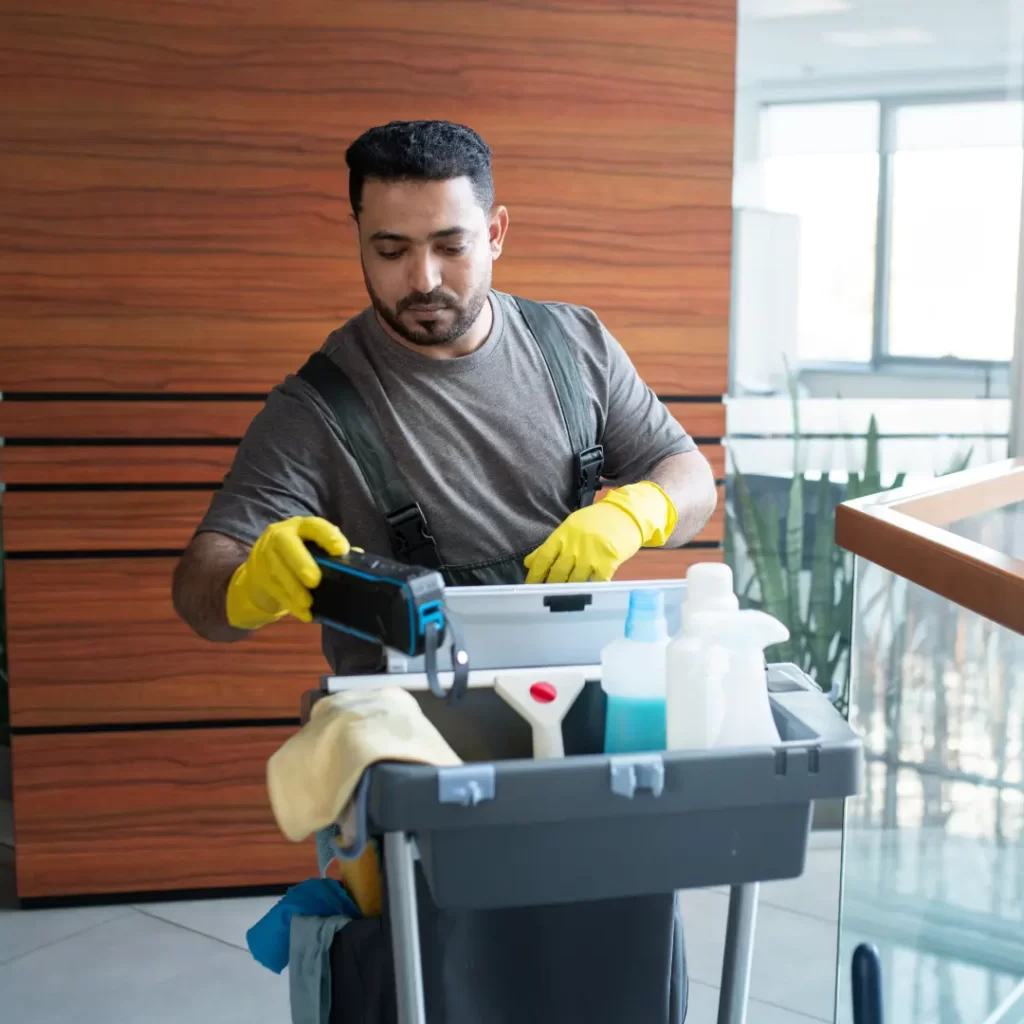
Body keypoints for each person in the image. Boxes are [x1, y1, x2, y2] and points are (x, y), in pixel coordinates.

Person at [172, 119, 717, 677]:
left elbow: (691, 478)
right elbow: (201, 592)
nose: (423, 279)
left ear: (496, 233)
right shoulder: (314, 408)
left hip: (579, 685)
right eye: (390, 251)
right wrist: (250, 586)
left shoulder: (576, 343)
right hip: (409, 724)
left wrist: (636, 512)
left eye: (451, 245)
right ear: (359, 238)